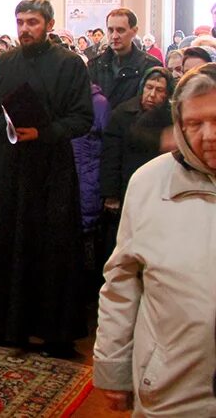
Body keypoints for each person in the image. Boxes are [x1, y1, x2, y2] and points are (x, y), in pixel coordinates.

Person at [0, 0, 93, 357]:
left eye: (33, 23)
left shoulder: (70, 65)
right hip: (8, 168)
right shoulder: (3, 64)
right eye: (20, 22)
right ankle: (5, 326)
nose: (25, 29)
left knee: (50, 248)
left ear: (49, 25)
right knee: (6, 243)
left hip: (51, 171)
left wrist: (43, 133)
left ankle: (51, 329)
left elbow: (82, 119)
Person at [94, 64, 216, 415]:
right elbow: (121, 284)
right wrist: (114, 370)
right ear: (177, 125)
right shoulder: (149, 183)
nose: (207, 136)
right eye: (194, 123)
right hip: (171, 390)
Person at [99, 67, 174, 270]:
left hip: (158, 190)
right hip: (126, 185)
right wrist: (110, 194)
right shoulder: (123, 113)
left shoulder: (171, 119)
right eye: (149, 87)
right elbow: (111, 156)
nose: (152, 95)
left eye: (159, 90)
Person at [71, 82, 111, 289]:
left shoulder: (99, 104)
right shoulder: (62, 101)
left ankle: (88, 288)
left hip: (90, 177)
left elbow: (107, 145)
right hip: (69, 176)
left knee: (89, 234)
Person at [88, 9, 161, 110]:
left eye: (120, 30)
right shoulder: (94, 65)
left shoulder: (151, 66)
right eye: (110, 30)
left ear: (134, 31)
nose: (114, 36)